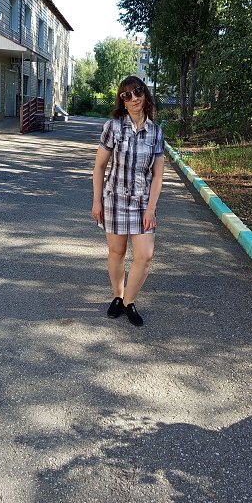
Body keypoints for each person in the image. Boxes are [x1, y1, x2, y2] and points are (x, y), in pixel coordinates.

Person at [92, 76, 165, 326]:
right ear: (122, 101)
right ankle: (117, 295)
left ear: (145, 94)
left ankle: (128, 301)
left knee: (145, 255)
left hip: (143, 202)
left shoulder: (155, 132)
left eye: (138, 91)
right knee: (117, 252)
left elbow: (158, 176)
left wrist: (151, 208)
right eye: (127, 95)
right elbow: (99, 167)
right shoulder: (113, 127)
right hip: (114, 199)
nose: (134, 98)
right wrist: (97, 201)